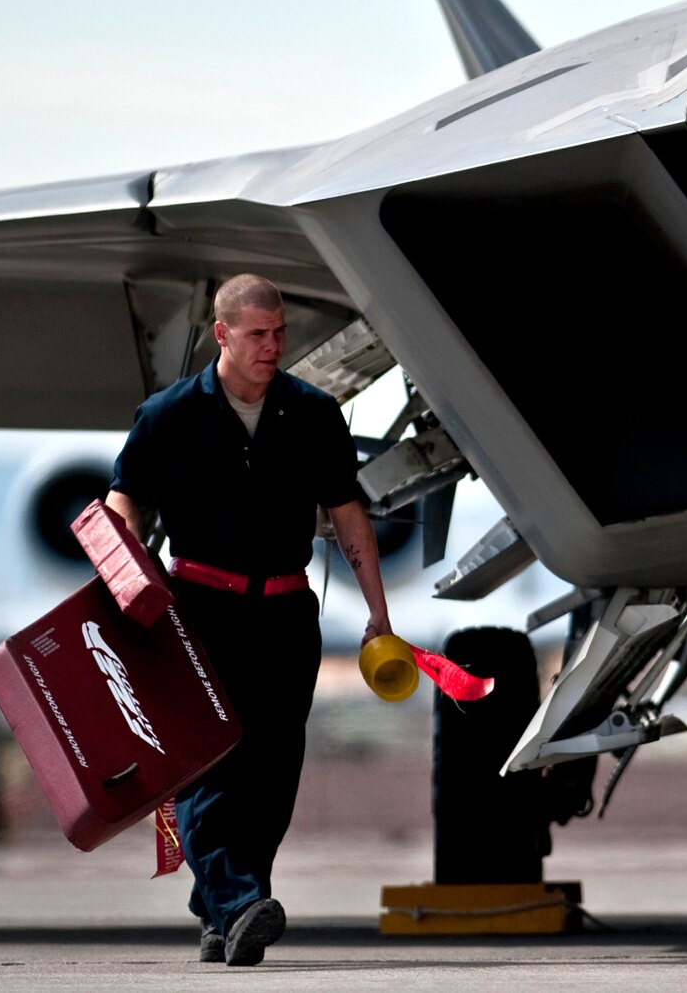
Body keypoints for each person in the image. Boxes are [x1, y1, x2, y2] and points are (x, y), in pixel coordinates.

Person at [105, 273, 392, 966]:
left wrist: (379, 615)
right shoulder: (168, 415)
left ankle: (225, 912)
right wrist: (124, 588)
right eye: (259, 334)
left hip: (288, 613)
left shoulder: (314, 413)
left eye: (280, 332)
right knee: (210, 766)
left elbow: (348, 512)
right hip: (199, 610)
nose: (274, 346)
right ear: (223, 334)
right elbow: (124, 503)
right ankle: (239, 904)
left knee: (273, 771)